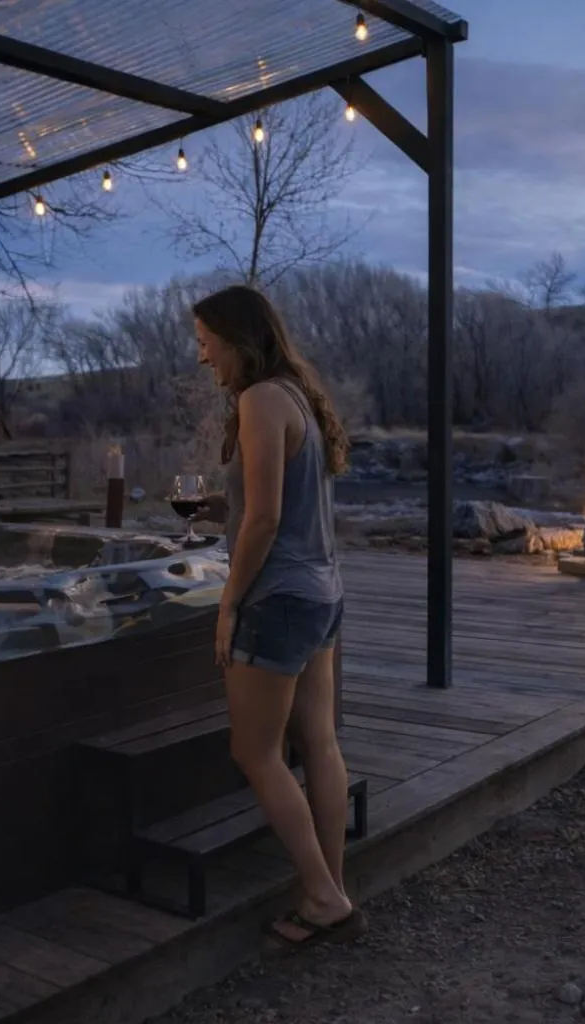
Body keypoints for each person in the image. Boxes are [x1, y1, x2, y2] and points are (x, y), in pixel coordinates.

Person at [188, 283, 365, 949]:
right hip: (322, 592)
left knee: (255, 751)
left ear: (237, 339)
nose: (203, 358)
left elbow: (263, 519)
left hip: (278, 600)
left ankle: (322, 896)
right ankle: (332, 889)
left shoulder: (260, 400)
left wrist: (228, 606)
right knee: (318, 742)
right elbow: (271, 506)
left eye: (206, 343)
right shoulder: (296, 397)